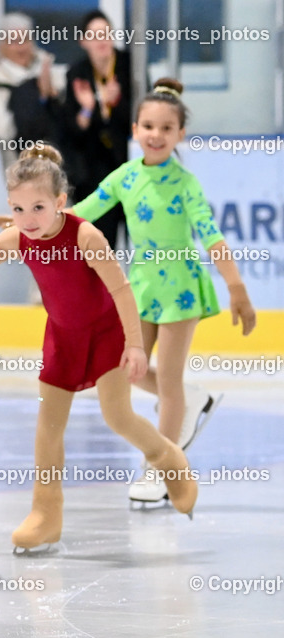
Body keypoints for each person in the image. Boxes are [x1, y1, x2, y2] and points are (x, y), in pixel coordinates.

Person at [0, 146, 198, 552]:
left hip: (106, 332)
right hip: (62, 337)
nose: (27, 219)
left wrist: (134, 345)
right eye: (18, 209)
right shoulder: (20, 236)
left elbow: (121, 289)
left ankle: (169, 459)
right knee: (47, 427)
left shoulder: (85, 235)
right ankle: (46, 513)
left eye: (38, 208)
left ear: (60, 202)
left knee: (117, 415)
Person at [68, 78, 257, 503]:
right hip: (141, 284)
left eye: (166, 128)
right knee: (123, 366)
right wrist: (33, 223)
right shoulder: (125, 176)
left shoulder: (186, 184)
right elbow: (81, 214)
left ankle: (160, 469)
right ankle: (192, 399)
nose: (155, 135)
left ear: (179, 135)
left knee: (169, 381)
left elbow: (210, 236)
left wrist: (237, 287)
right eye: (148, 126)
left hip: (181, 289)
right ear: (135, 129)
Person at [61, 9, 132, 249]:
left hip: (128, 163)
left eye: (106, 33)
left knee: (142, 242)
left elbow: (140, 116)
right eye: (94, 35)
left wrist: (115, 103)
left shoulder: (129, 66)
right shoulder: (77, 74)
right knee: (100, 247)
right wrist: (90, 108)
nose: (102, 40)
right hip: (94, 172)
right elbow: (73, 131)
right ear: (83, 41)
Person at [0, 12, 66, 169]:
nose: (20, 48)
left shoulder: (49, 71)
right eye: (13, 42)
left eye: (25, 40)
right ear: (1, 46)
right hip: (13, 163)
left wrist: (50, 93)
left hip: (54, 162)